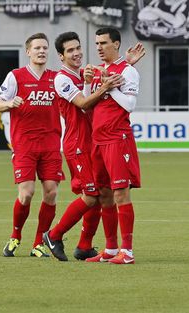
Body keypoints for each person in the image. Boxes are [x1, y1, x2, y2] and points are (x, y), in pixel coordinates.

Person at [42, 32, 145, 261]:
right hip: (78, 142)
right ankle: (55, 235)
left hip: (102, 140)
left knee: (103, 193)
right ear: (61, 56)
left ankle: (91, 246)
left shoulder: (90, 72)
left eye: (78, 48)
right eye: (70, 50)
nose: (77, 53)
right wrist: (102, 85)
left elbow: (116, 81)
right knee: (93, 194)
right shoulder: (62, 79)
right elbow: (84, 104)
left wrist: (122, 65)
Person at [0, 33, 64, 258]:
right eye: (37, 48)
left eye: (44, 48)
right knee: (26, 194)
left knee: (51, 192)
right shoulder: (16, 76)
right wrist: (8, 103)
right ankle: (15, 236)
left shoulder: (57, 78)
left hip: (51, 144)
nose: (42, 51)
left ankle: (39, 243)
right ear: (28, 52)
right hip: (24, 145)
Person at [85, 27, 141, 265]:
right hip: (97, 141)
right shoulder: (97, 71)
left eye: (104, 43)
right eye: (97, 43)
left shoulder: (128, 71)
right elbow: (86, 106)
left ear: (116, 44)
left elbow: (129, 105)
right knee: (105, 195)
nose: (99, 47)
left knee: (120, 193)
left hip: (117, 140)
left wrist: (112, 87)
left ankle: (126, 252)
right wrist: (90, 85)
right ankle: (110, 248)